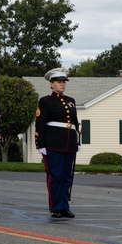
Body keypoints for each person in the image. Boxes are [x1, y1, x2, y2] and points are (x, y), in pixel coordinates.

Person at [35, 68, 80, 218]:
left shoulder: (71, 101)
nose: (62, 84)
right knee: (55, 176)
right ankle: (56, 207)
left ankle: (64, 206)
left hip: (69, 144)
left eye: (63, 82)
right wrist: (40, 144)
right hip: (53, 144)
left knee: (67, 177)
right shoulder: (46, 101)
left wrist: (77, 140)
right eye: (59, 82)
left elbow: (74, 122)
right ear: (51, 84)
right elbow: (40, 124)